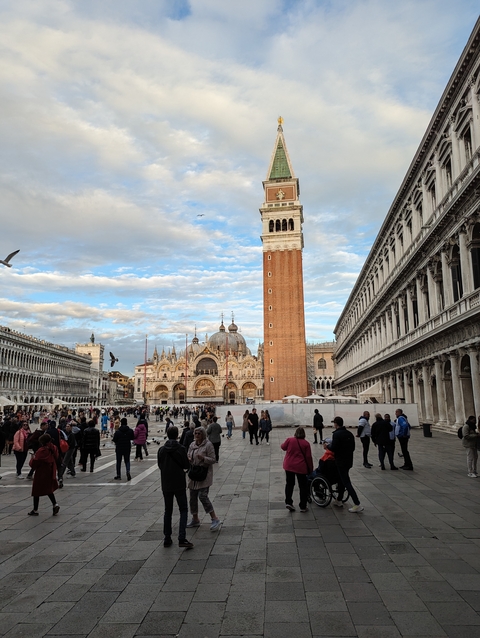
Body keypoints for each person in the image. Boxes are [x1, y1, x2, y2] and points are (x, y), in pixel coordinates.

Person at [158, 426, 194, 548]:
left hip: (166, 483)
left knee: (168, 510)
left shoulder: (161, 450)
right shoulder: (181, 449)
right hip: (179, 482)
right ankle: (182, 537)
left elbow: (160, 465)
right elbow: (185, 465)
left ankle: (167, 537)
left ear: (167, 435)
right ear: (177, 434)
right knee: (183, 509)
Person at [186, 427, 221, 531]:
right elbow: (188, 454)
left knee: (203, 496)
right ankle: (195, 519)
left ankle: (214, 518)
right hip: (193, 475)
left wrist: (203, 458)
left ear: (203, 435)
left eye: (199, 433)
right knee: (192, 497)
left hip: (204, 475)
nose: (197, 435)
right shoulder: (192, 445)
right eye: (195, 433)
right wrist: (189, 458)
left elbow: (213, 459)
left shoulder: (208, 445)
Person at [326, 416, 364, 512]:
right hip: (348, 460)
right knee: (341, 479)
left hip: (340, 461)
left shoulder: (337, 435)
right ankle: (339, 499)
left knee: (346, 482)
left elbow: (334, 447)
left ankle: (357, 503)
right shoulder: (349, 434)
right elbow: (353, 448)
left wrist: (327, 446)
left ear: (336, 424)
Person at [281, 426, 314, 512]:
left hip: (289, 466)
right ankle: (303, 506)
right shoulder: (306, 444)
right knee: (302, 486)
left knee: (289, 484)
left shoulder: (290, 440)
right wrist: (310, 468)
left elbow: (283, 447)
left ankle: (288, 502)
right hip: (301, 467)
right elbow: (308, 457)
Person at [28, 433, 60, 516]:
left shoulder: (42, 450)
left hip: (41, 472)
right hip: (50, 470)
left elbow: (35, 462)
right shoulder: (53, 448)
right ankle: (55, 504)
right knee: (49, 489)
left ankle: (35, 510)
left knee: (36, 491)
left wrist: (32, 458)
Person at [57, 423, 77, 487]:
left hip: (70, 448)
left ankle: (60, 474)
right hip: (66, 448)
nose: (67, 427)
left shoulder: (72, 434)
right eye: (66, 426)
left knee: (65, 461)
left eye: (68, 426)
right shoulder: (65, 433)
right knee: (69, 461)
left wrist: (67, 446)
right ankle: (73, 472)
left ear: (71, 427)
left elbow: (72, 443)